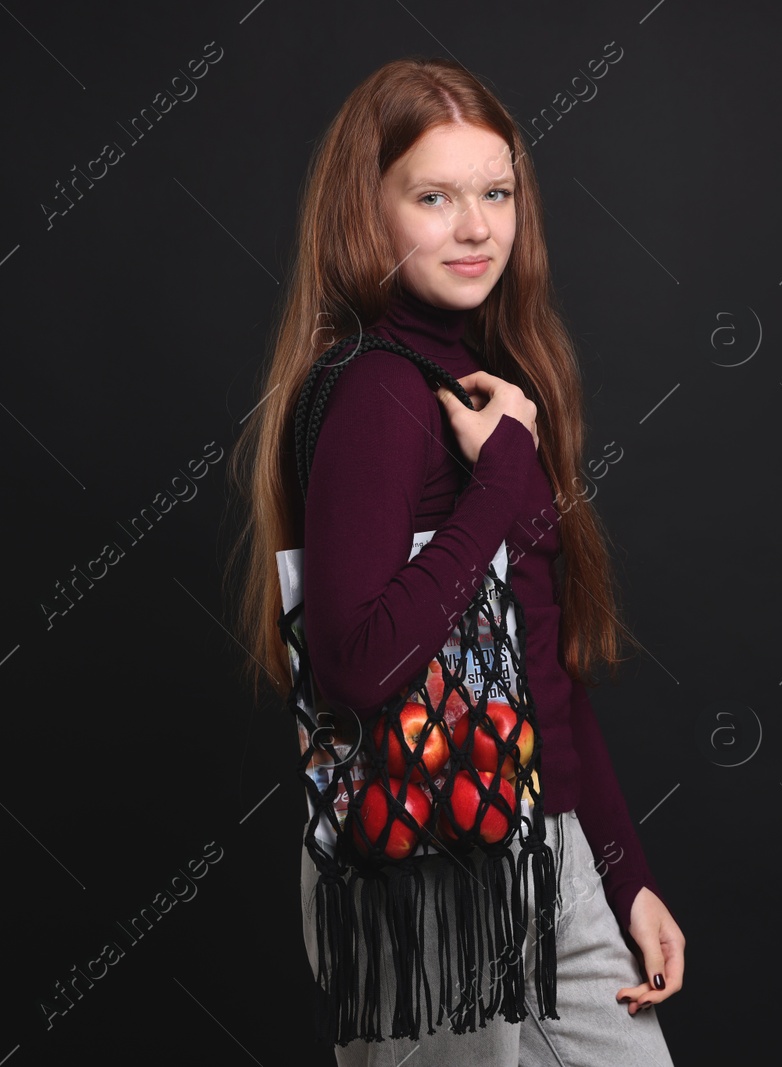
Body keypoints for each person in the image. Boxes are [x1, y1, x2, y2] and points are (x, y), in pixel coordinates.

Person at [228, 56, 683, 1065]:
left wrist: (623, 874)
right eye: (434, 196)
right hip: (423, 859)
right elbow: (357, 666)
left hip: (541, 845)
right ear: (368, 210)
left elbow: (544, 669)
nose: (476, 228)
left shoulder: (487, 380)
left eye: (495, 192)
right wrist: (501, 482)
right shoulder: (381, 393)